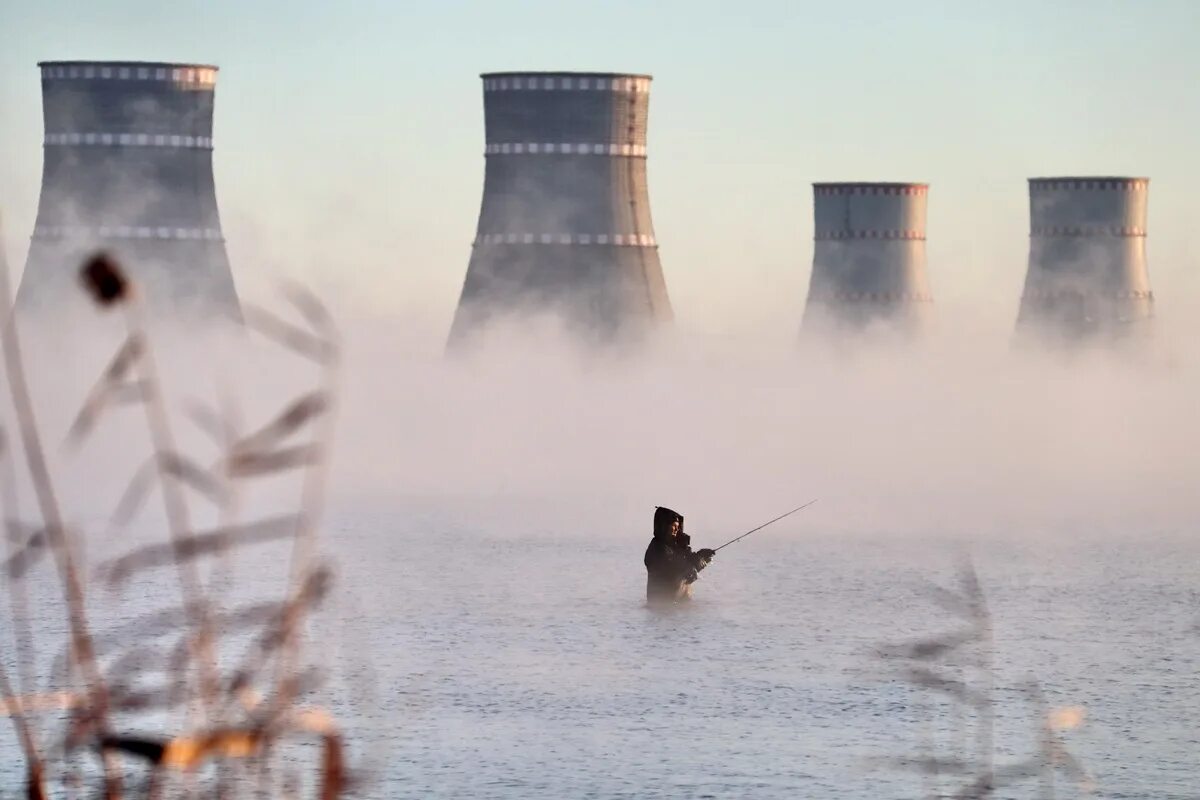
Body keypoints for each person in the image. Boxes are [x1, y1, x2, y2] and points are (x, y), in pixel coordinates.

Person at [644, 506, 715, 604]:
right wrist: (699, 561)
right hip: (663, 606)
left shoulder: (676, 547)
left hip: (677, 606)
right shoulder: (657, 549)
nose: (677, 529)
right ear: (664, 526)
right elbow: (680, 568)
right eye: (674, 526)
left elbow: (687, 561)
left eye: (678, 527)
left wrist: (701, 555)